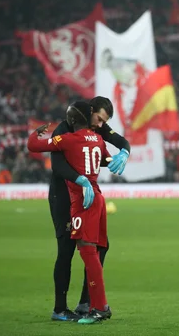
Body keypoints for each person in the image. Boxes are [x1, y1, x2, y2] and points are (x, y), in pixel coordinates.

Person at [46, 96, 131, 322]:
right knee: (67, 249)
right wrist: (81, 179)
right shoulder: (63, 130)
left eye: (104, 122)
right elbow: (58, 166)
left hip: (84, 196)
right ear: (90, 111)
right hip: (63, 196)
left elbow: (121, 141)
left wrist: (124, 153)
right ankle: (60, 309)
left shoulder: (96, 126)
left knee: (99, 247)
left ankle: (86, 303)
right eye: (100, 119)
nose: (101, 126)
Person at [28, 101, 113, 325]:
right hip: (95, 196)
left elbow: (34, 146)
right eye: (100, 119)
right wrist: (121, 155)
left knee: (88, 252)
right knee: (90, 250)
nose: (102, 124)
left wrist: (35, 134)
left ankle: (98, 307)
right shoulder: (98, 139)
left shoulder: (67, 139)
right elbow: (106, 159)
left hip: (81, 202)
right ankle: (88, 305)